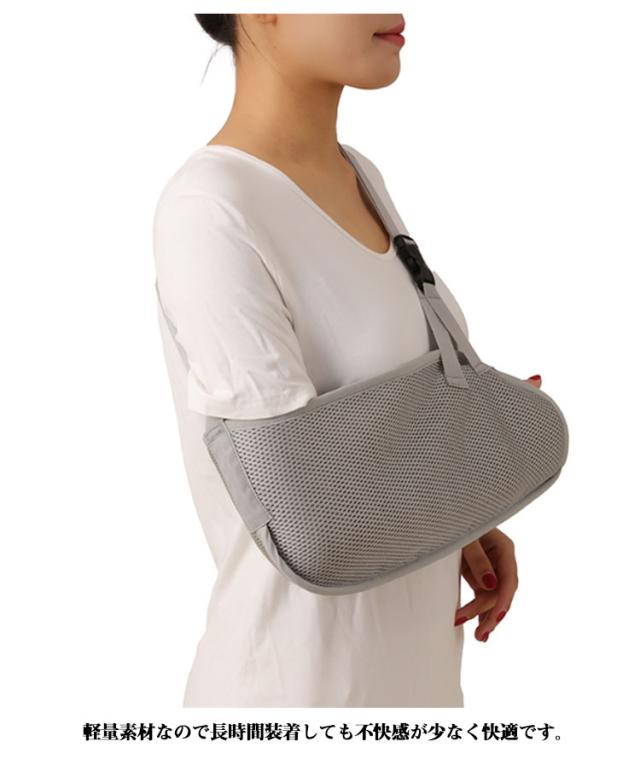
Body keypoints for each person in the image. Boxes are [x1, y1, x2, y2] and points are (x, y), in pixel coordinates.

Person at [153, 13, 538, 708]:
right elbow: (313, 518)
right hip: (294, 696)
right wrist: (467, 463)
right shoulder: (211, 208)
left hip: (416, 692)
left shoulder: (360, 175)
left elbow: (364, 463)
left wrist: (463, 522)